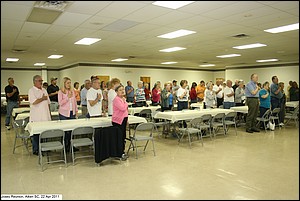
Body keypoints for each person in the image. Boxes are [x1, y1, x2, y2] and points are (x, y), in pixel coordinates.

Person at [28, 75, 51, 155]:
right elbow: (33, 102)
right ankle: (36, 149)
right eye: (39, 81)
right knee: (36, 134)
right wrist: (42, 98)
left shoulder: (44, 90)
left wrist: (49, 114)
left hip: (45, 115)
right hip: (36, 116)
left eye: (41, 80)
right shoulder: (31, 91)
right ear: (34, 82)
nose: (41, 82)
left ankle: (46, 147)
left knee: (45, 132)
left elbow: (48, 102)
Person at [58, 77, 78, 152]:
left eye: (70, 83)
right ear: (64, 84)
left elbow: (75, 102)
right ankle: (65, 146)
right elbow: (60, 103)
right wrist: (67, 97)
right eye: (67, 83)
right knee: (66, 130)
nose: (69, 84)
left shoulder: (72, 91)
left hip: (71, 112)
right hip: (63, 113)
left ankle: (71, 145)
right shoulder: (61, 92)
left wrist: (76, 111)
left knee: (72, 130)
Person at [112, 85, 128, 160]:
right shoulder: (116, 99)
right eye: (120, 90)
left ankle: (122, 151)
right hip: (118, 121)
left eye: (123, 89)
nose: (122, 91)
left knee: (123, 137)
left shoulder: (122, 99)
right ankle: (119, 153)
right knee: (119, 137)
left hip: (123, 119)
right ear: (116, 92)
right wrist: (125, 103)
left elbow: (126, 111)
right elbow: (123, 108)